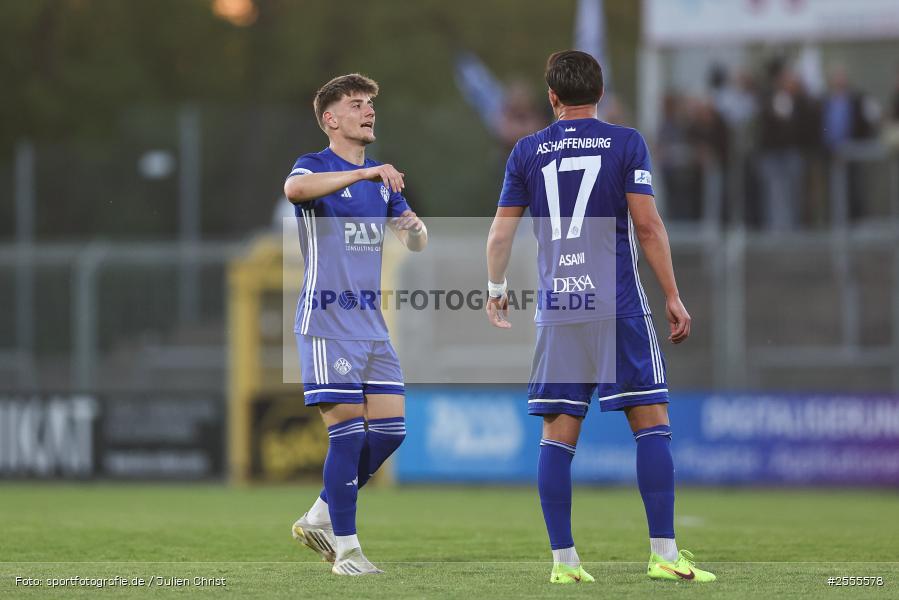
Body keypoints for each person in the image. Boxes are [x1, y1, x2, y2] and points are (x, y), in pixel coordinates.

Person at [484, 50, 715, 584]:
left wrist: (496, 289)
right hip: (617, 303)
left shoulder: (527, 150)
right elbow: (649, 227)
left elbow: (499, 233)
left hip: (561, 307)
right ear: (601, 92)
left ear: (552, 97)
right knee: (651, 424)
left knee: (558, 436)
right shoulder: (626, 142)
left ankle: (564, 564)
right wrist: (673, 296)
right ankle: (663, 555)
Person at [283, 73, 427, 576]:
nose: (368, 111)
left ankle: (321, 513)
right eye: (356, 103)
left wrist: (414, 230)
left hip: (371, 326)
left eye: (370, 103)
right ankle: (346, 552)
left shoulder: (382, 182)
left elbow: (415, 239)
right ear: (331, 119)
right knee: (347, 435)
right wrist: (363, 176)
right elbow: (294, 189)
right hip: (326, 321)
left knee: (390, 432)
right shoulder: (318, 166)